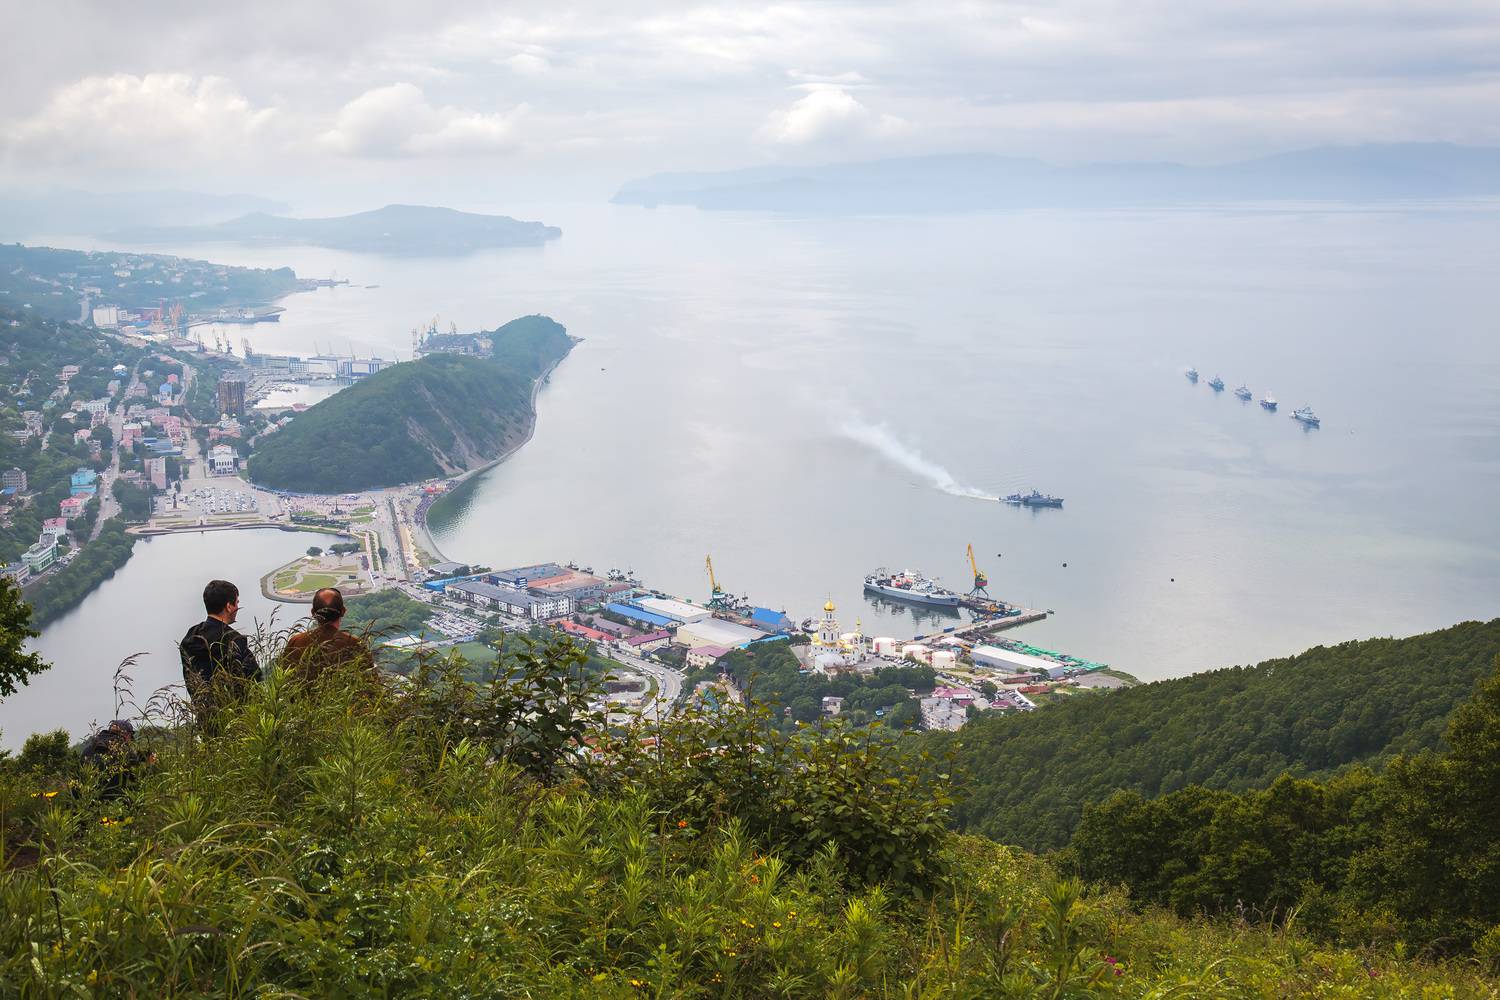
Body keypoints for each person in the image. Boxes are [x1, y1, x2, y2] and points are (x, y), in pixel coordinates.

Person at [179, 579, 261, 731]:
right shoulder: (233, 639)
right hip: (236, 720)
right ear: (228, 607)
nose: (237, 607)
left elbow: (191, 680)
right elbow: (254, 679)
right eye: (236, 603)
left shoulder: (190, 638)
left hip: (206, 720)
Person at [282, 587, 377, 687]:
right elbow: (371, 685)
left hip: (301, 701)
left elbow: (284, 681)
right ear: (343, 611)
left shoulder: (296, 642)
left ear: (313, 613)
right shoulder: (355, 644)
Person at [79, 719, 152, 800]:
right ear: (126, 735)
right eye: (130, 738)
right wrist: (150, 765)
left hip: (88, 801)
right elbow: (138, 779)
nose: (130, 742)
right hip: (115, 804)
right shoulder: (124, 751)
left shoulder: (87, 750)